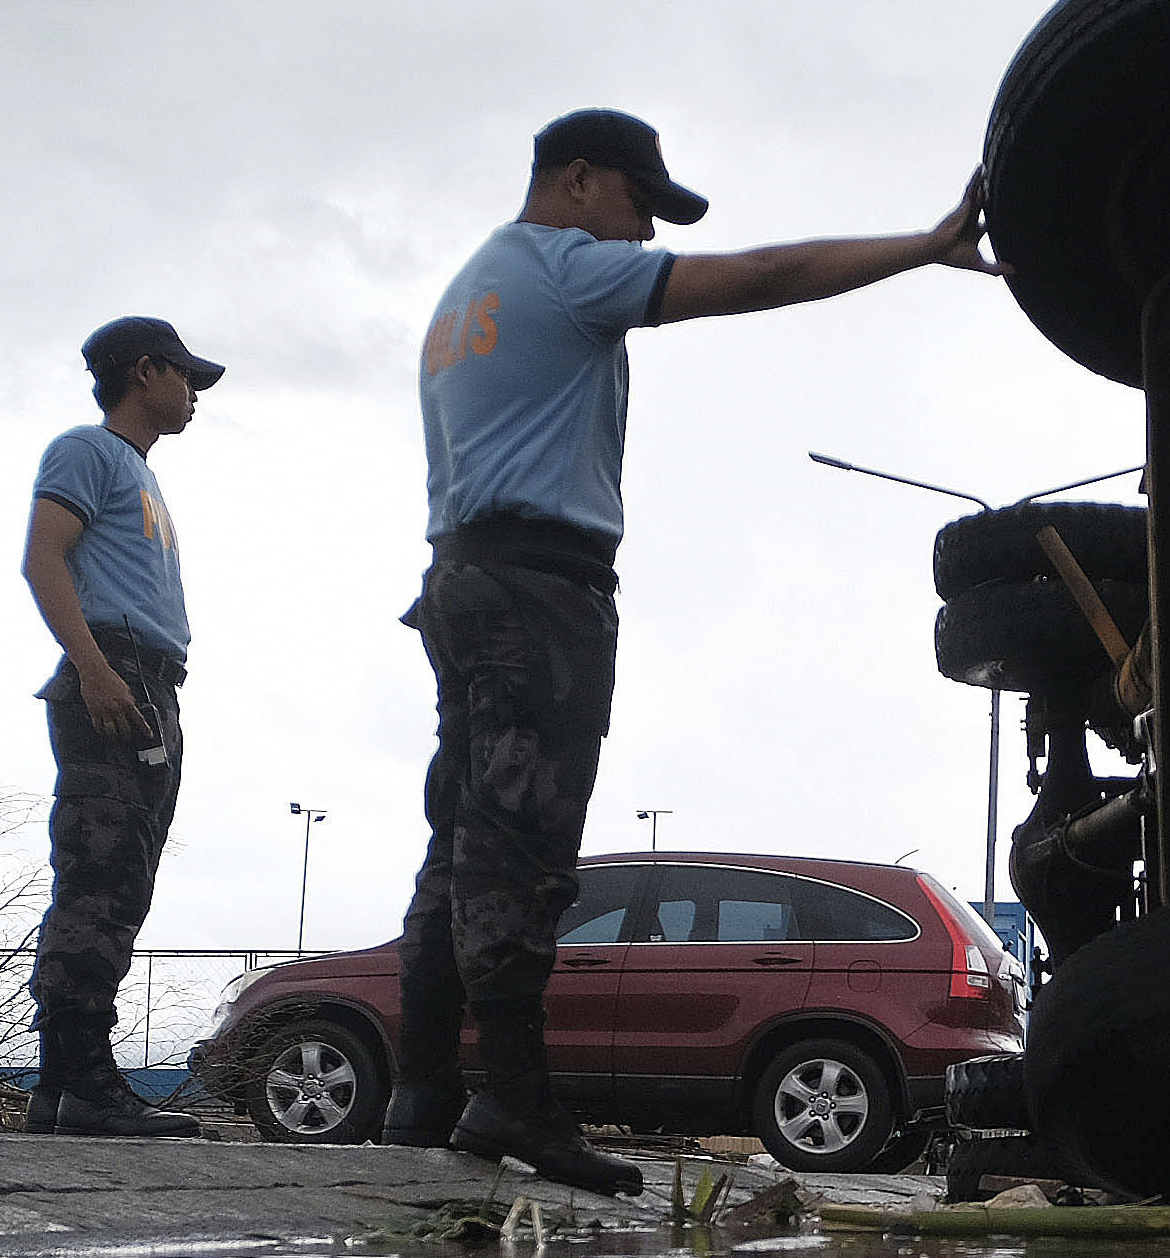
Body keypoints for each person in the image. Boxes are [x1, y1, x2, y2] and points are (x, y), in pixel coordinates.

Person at [391, 111, 996, 1195]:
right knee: (522, 849)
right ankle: (516, 1101)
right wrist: (922, 246)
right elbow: (767, 274)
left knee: (460, 836)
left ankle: (425, 1090)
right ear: (577, 180)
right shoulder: (565, 268)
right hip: (539, 589)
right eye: (638, 206)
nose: (638, 237)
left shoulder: (467, 291)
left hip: (462, 579)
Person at [21, 316, 222, 1138]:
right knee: (100, 879)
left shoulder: (137, 475)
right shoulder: (87, 450)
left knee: (122, 883)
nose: (193, 395)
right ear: (145, 372)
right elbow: (43, 558)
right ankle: (87, 1086)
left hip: (148, 680)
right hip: (116, 672)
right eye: (184, 377)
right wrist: (97, 670)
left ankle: (61, 1086)